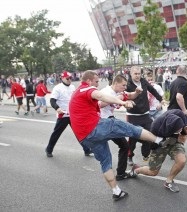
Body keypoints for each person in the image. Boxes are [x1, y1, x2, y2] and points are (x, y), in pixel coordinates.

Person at [69, 70, 165, 201]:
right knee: (131, 129)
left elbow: (128, 95)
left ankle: (116, 191)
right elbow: (100, 97)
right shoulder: (87, 88)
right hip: (97, 127)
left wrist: (134, 94)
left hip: (85, 137)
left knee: (105, 160)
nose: (98, 84)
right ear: (89, 81)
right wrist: (122, 103)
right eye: (96, 81)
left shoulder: (112, 92)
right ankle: (159, 140)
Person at [133, 109, 187, 192]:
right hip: (159, 143)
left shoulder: (180, 116)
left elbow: (183, 134)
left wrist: (185, 131)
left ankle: (169, 181)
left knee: (181, 160)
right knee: (153, 172)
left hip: (174, 141)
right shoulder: (155, 127)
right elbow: (151, 144)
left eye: (181, 128)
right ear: (170, 129)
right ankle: (136, 169)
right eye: (178, 130)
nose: (180, 131)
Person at [99, 74, 142, 181]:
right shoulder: (106, 92)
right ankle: (119, 175)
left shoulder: (118, 92)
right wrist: (117, 99)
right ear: (116, 83)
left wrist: (137, 92)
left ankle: (119, 174)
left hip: (108, 121)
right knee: (124, 144)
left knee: (123, 146)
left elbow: (130, 95)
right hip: (104, 122)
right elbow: (100, 104)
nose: (125, 87)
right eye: (123, 85)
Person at [45, 71, 92, 157]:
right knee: (56, 133)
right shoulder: (57, 88)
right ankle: (49, 149)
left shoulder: (73, 87)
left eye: (71, 78)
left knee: (79, 132)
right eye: (67, 78)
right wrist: (57, 108)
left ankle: (86, 149)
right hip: (63, 115)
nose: (70, 80)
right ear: (62, 78)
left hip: (73, 114)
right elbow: (52, 100)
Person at [126, 66, 163, 165]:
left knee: (150, 134)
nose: (138, 76)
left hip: (145, 115)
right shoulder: (128, 84)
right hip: (133, 115)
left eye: (139, 73)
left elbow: (152, 90)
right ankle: (129, 156)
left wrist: (160, 99)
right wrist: (128, 102)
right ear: (131, 74)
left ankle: (145, 154)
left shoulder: (143, 81)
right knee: (132, 137)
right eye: (135, 74)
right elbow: (124, 96)